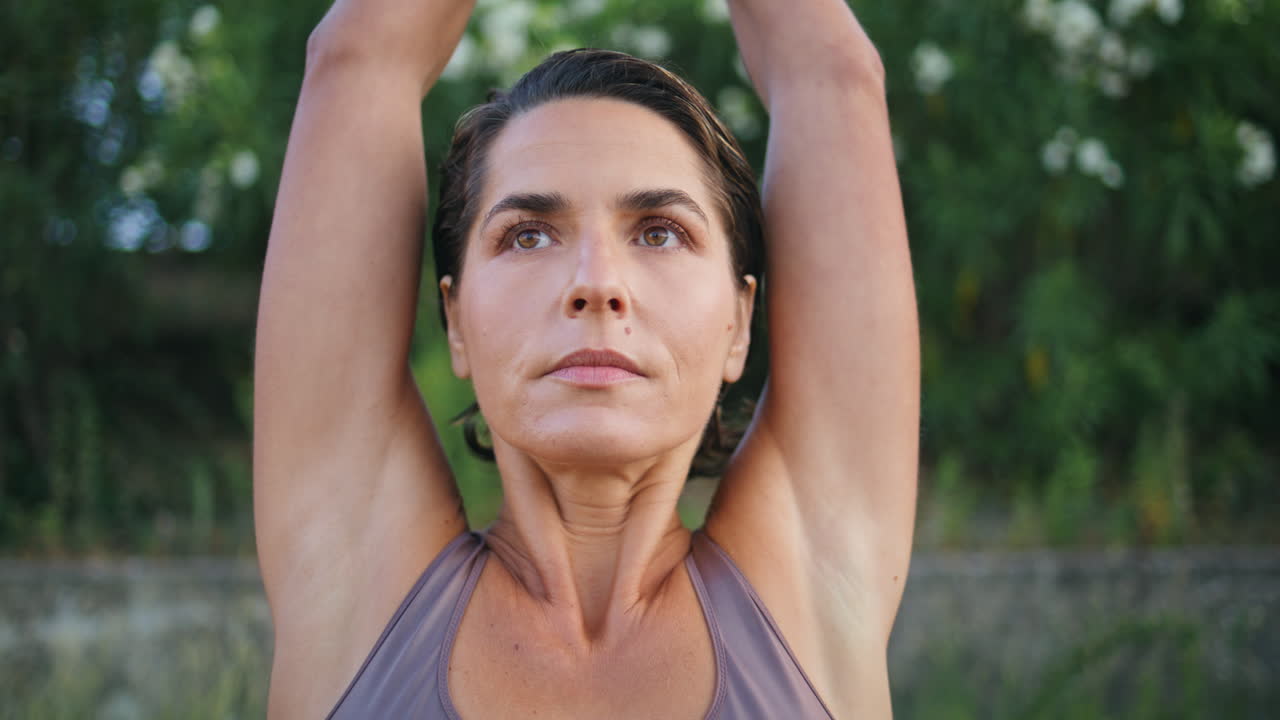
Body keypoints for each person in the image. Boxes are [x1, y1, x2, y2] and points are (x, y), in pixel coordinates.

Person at [253, 0, 919, 717]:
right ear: (456, 320)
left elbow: (833, 71)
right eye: (529, 235)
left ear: (739, 321)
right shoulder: (353, 580)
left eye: (659, 232)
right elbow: (359, 54)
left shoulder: (815, 581)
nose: (595, 283)